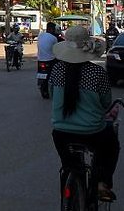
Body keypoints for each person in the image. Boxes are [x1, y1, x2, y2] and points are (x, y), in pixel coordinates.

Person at [49, 26, 118, 202]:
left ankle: (68, 186)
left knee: (68, 165)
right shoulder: (97, 73)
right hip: (93, 132)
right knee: (112, 146)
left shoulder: (56, 70)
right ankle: (102, 183)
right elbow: (105, 103)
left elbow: (51, 94)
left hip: (60, 133)